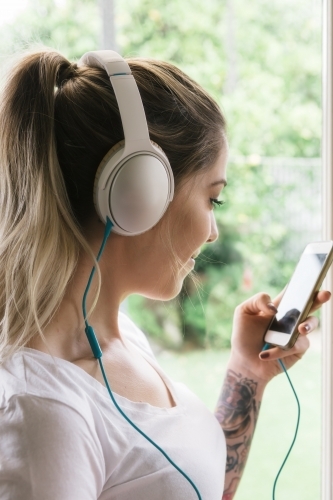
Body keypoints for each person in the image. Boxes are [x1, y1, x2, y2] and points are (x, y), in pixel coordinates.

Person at [0, 48, 329, 500]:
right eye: (213, 199)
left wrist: (247, 372)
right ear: (141, 193)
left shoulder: (122, 337)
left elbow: (193, 486)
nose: (213, 232)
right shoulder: (44, 410)